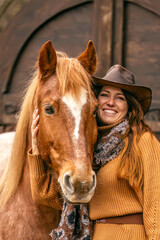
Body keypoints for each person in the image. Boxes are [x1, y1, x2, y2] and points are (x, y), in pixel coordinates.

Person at [29, 64, 160, 240]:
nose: (110, 102)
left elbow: (156, 203)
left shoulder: (142, 140)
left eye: (119, 98)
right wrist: (36, 149)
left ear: (129, 105)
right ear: (95, 101)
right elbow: (48, 197)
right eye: (105, 95)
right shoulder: (87, 151)